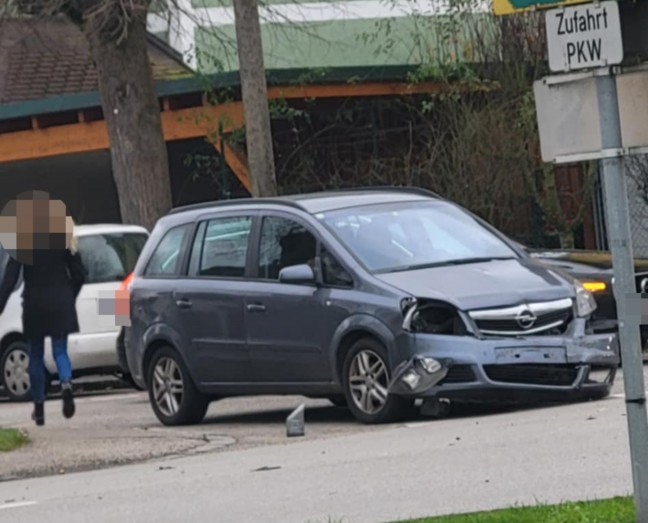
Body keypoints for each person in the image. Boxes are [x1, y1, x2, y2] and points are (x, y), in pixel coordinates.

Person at [0, 194, 85, 426]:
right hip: (60, 303)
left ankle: (39, 407)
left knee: (35, 354)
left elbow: (9, 279)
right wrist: (70, 295)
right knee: (60, 351)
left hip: (35, 305)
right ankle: (66, 382)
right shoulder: (64, 239)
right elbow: (80, 273)